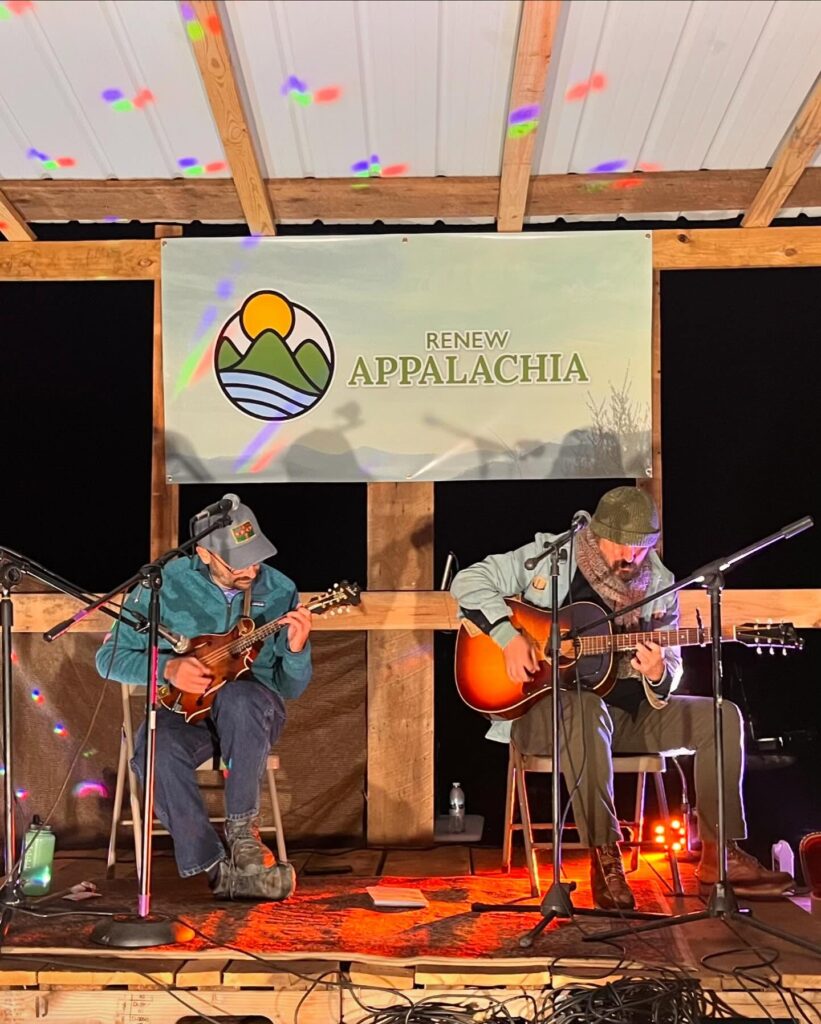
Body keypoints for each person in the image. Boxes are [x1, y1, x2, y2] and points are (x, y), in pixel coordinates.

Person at [451, 486, 792, 910]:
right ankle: (605, 854)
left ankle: (718, 857)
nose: (631, 558)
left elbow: (672, 661)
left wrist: (659, 673)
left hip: (628, 716)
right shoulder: (553, 558)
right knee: (587, 707)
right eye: (622, 546)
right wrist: (507, 638)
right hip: (547, 714)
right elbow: (468, 582)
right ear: (596, 534)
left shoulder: (661, 583)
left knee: (722, 716)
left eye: (642, 548)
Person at [96, 499, 312, 901]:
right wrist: (166, 668)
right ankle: (218, 871)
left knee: (240, 697)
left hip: (252, 715)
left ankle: (242, 831)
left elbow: (291, 687)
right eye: (237, 563)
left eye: (256, 559)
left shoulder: (280, 590)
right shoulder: (162, 585)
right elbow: (107, 659)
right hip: (186, 711)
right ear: (204, 552)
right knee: (151, 751)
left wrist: (297, 651)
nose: (250, 570)